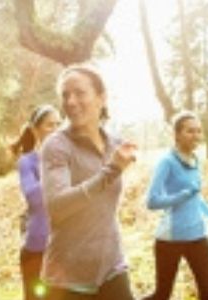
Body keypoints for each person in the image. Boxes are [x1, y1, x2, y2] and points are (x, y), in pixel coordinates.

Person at [39, 65, 138, 299]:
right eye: (65, 95)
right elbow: (57, 207)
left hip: (112, 266)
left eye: (80, 93)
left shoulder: (115, 143)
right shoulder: (56, 145)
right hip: (68, 278)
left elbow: (104, 205)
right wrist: (111, 171)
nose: (71, 101)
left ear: (101, 98)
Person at [143, 112, 208, 300]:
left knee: (207, 294)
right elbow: (152, 201)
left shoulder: (196, 160)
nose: (196, 135)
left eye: (198, 131)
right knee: (162, 295)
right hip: (170, 239)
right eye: (190, 131)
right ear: (177, 134)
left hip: (198, 236)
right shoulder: (166, 162)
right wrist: (181, 195)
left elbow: (196, 197)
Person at [10, 104, 62, 300]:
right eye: (50, 125)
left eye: (59, 124)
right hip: (37, 247)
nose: (56, 130)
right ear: (35, 130)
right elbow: (35, 198)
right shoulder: (27, 161)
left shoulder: (69, 159)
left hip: (65, 247)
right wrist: (54, 168)